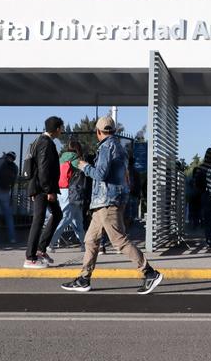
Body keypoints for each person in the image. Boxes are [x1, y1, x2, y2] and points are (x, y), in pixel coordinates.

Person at [61, 115, 163, 294]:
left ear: (98, 132)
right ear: (114, 131)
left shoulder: (107, 147)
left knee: (119, 241)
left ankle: (149, 273)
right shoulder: (119, 147)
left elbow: (100, 174)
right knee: (90, 240)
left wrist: (84, 166)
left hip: (107, 201)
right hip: (108, 201)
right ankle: (84, 278)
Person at [24, 116, 64, 268]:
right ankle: (30, 257)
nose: (62, 131)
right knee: (38, 220)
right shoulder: (46, 143)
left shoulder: (39, 141)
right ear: (58, 128)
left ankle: (41, 249)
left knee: (57, 214)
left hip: (40, 186)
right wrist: (49, 190)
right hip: (42, 188)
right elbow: (44, 168)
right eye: (62, 128)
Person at [49, 140, 87, 252]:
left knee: (77, 219)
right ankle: (49, 242)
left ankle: (84, 243)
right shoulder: (77, 160)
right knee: (66, 218)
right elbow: (85, 172)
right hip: (72, 191)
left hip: (61, 190)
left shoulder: (61, 158)